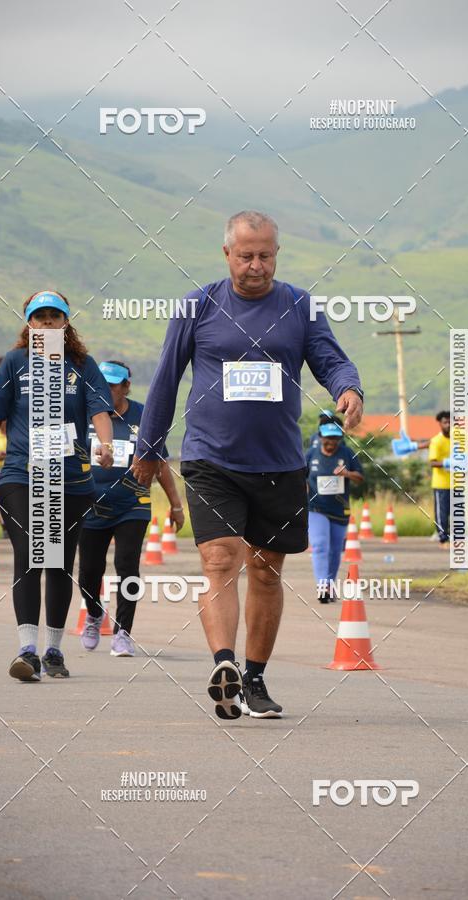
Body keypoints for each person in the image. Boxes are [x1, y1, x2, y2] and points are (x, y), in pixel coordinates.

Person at [132, 210, 363, 720]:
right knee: (219, 559)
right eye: (246, 256)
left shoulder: (299, 305)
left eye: (265, 255)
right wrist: (148, 448)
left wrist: (348, 387)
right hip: (211, 457)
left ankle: (254, 678)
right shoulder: (198, 306)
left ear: (277, 254)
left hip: (279, 462)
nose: (256, 265)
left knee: (265, 571)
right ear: (227, 255)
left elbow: (329, 357)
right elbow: (166, 381)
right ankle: (223, 665)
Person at [0, 291, 114, 682]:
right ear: (29, 324)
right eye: (39, 317)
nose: (46, 323)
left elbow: (99, 410)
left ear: (66, 323)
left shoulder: (82, 365)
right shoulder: (15, 363)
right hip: (21, 475)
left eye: (53, 317)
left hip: (72, 479)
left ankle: (54, 650)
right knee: (31, 550)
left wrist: (105, 444)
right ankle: (27, 650)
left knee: (60, 561)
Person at [78, 360, 185, 657]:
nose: (107, 390)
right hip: (90, 505)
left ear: (126, 386)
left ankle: (123, 632)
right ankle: (94, 613)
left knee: (127, 567)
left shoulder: (144, 416)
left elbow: (160, 465)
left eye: (114, 385)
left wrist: (176, 505)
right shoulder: (85, 412)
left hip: (133, 505)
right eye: (103, 384)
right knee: (89, 571)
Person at [306, 421, 364, 603]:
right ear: (321, 437)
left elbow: (360, 477)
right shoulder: (311, 454)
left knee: (335, 550)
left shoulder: (346, 453)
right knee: (320, 545)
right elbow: (298, 476)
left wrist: (347, 474)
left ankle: (330, 585)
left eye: (336, 439)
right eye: (328, 438)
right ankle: (323, 586)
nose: (331, 442)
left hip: (340, 509)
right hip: (316, 508)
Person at [428, 411, 452, 547]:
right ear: (440, 424)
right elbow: (433, 462)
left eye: (450, 422)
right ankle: (443, 538)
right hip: (441, 484)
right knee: (441, 513)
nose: (448, 425)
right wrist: (449, 463)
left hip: (457, 484)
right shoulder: (436, 441)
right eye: (445, 422)